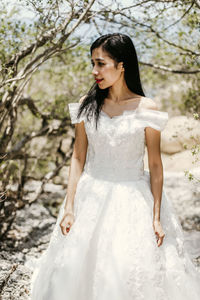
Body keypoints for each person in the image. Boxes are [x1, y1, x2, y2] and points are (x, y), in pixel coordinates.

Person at [30, 33, 200, 300]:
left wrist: (156, 217)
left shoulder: (147, 108)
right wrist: (70, 206)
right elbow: (77, 157)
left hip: (134, 199)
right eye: (92, 64)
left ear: (122, 66)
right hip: (91, 196)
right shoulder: (87, 107)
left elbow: (155, 165)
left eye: (101, 63)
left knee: (128, 268)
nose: (94, 71)